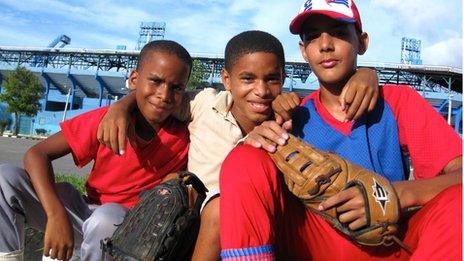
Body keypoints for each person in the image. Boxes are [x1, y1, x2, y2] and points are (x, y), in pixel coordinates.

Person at [97, 31, 380, 260]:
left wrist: (367, 73)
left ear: (283, 79)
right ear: (226, 79)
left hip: (250, 229)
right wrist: (123, 105)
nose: (260, 90)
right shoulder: (204, 104)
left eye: (272, 79)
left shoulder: (286, 124)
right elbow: (159, 97)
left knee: (222, 208)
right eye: (247, 78)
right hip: (185, 224)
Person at [219, 0, 462, 260]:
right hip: (319, 243)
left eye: (338, 32)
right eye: (313, 37)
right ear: (303, 50)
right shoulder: (294, 114)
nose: (325, 44)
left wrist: (394, 194)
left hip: (393, 242)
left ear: (362, 42)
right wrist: (256, 141)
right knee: (243, 159)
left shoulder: (398, 101)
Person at [0, 40, 192, 260]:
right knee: (5, 177)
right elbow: (37, 154)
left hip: (128, 228)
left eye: (176, 87)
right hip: (83, 213)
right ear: (134, 79)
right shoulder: (107, 120)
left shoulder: (187, 134)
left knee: (106, 217)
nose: (164, 94)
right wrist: (55, 215)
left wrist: (123, 103)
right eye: (156, 81)